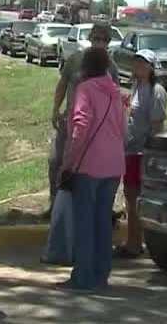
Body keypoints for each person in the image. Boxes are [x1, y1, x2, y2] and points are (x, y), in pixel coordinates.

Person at [43, 23, 120, 265]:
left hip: (89, 135)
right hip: (71, 122)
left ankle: (77, 259)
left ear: (108, 41)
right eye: (96, 37)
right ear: (89, 38)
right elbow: (62, 85)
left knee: (77, 182)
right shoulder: (75, 60)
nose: (99, 42)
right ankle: (56, 209)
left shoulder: (112, 68)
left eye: (103, 39)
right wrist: (56, 109)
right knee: (55, 163)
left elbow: (115, 102)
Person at [58, 47, 126, 292]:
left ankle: (82, 277)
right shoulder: (116, 93)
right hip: (114, 164)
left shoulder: (84, 90)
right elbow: (122, 130)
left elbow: (80, 128)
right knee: (102, 221)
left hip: (88, 165)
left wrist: (68, 164)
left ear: (85, 67)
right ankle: (100, 274)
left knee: (85, 223)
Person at [114, 49, 166, 259]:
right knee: (130, 197)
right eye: (136, 62)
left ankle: (135, 244)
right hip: (129, 149)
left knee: (134, 199)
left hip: (141, 153)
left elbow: (157, 125)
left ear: (151, 67)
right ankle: (133, 240)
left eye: (142, 63)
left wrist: (151, 152)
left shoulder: (156, 90)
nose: (137, 66)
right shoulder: (137, 87)